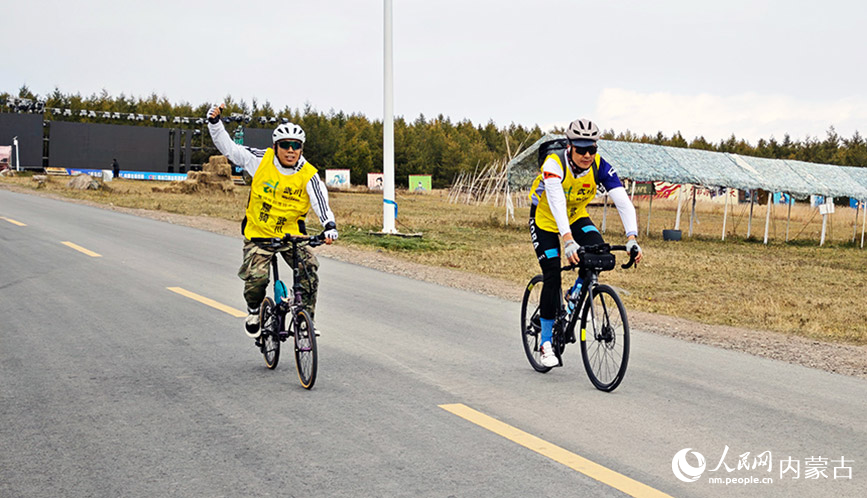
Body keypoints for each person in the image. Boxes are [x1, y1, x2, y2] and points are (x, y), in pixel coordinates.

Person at [207, 104, 338, 338]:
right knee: (257, 279)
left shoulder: (309, 174)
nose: (291, 150)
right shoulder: (260, 160)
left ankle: (305, 321)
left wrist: (329, 226)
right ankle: (254, 310)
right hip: (259, 235)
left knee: (309, 269)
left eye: (296, 146)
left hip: (291, 237)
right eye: (286, 145)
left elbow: (321, 202)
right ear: (275, 146)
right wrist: (215, 125)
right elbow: (229, 149)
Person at [529, 118, 643, 367]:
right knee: (552, 275)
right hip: (545, 220)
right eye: (581, 149)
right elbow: (557, 202)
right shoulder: (554, 163)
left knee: (599, 253)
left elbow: (622, 201)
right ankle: (546, 343)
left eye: (592, 149)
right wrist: (567, 239)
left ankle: (575, 295)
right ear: (569, 146)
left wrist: (632, 238)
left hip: (576, 215)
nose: (587, 155)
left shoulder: (600, 166)